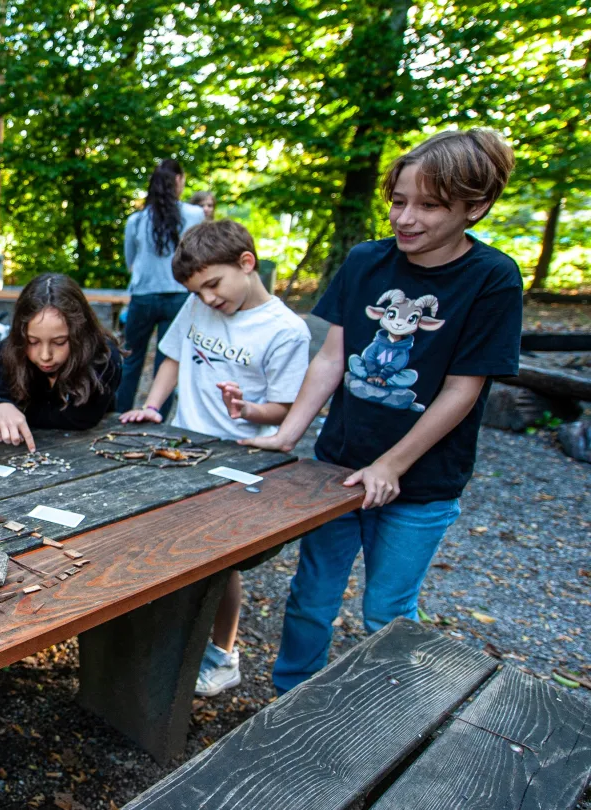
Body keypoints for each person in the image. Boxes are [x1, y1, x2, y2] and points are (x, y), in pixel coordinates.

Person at [241, 128, 521, 694]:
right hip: (336, 468)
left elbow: (461, 391)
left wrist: (391, 466)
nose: (405, 218)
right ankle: (290, 698)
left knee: (388, 615)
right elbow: (331, 357)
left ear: (476, 207)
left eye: (429, 205)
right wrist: (287, 434)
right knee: (311, 598)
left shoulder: (492, 278)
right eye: (398, 201)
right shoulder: (367, 260)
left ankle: (389, 721)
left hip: (422, 483)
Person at [120, 219, 310, 696]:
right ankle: (162, 631)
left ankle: (222, 654)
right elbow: (173, 357)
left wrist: (247, 409)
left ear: (246, 264)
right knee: (161, 534)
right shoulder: (195, 305)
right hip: (183, 444)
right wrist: (152, 405)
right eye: (197, 290)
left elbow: (285, 408)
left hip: (241, 456)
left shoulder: (287, 330)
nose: (207, 299)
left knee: (218, 560)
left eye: (213, 285)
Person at [0, 273, 123, 451]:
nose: (45, 355)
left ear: (80, 334)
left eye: (59, 342)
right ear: (20, 335)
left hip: (91, 450)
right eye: (32, 342)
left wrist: (15, 409)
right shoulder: (11, 351)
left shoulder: (103, 357)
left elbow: (81, 418)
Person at [116, 158, 206, 412]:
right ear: (178, 180)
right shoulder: (195, 215)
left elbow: (130, 261)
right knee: (168, 358)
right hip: (179, 297)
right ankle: (156, 416)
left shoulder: (137, 220)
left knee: (131, 357)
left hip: (144, 296)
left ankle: (119, 413)